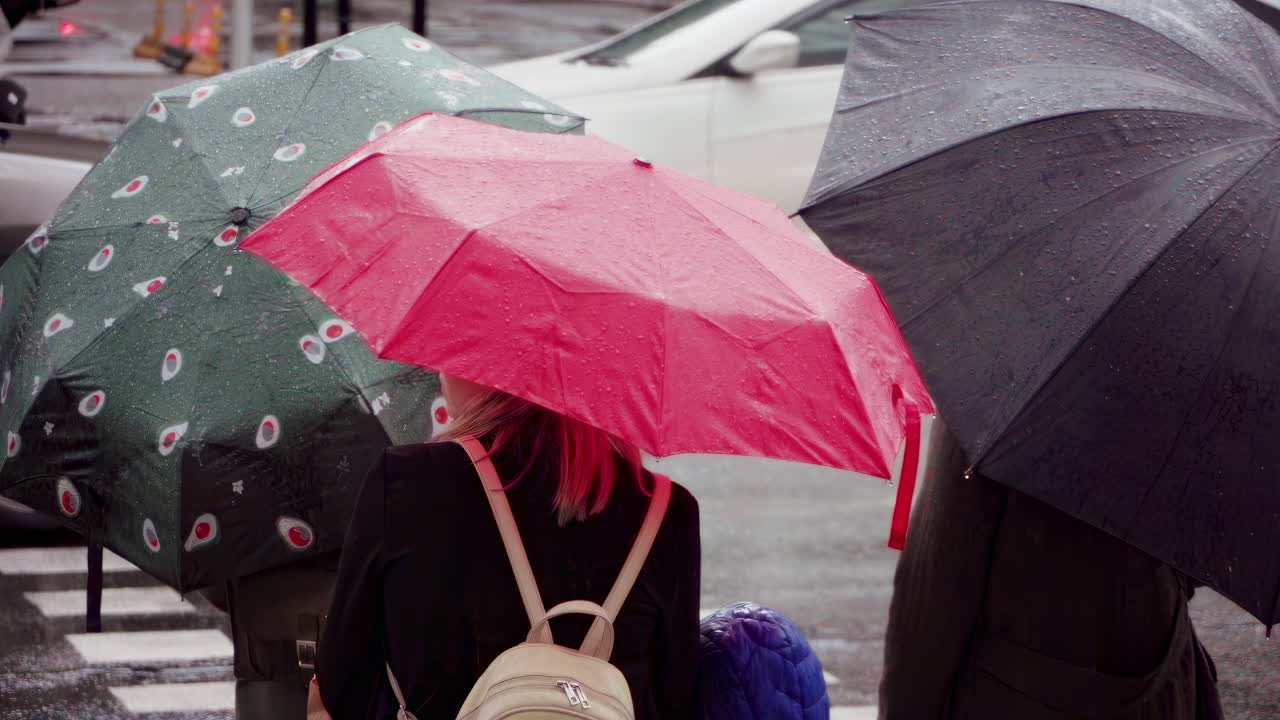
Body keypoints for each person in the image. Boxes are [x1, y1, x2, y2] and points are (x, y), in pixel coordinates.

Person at [312, 373, 701, 719]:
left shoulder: (407, 480)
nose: (438, 374)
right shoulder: (667, 510)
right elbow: (674, 697)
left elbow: (343, 684)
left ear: (492, 371)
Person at [878, 421, 1224, 720]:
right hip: (1160, 686)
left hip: (1025, 699)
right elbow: (1205, 552)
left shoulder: (996, 393)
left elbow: (934, 596)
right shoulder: (1192, 391)